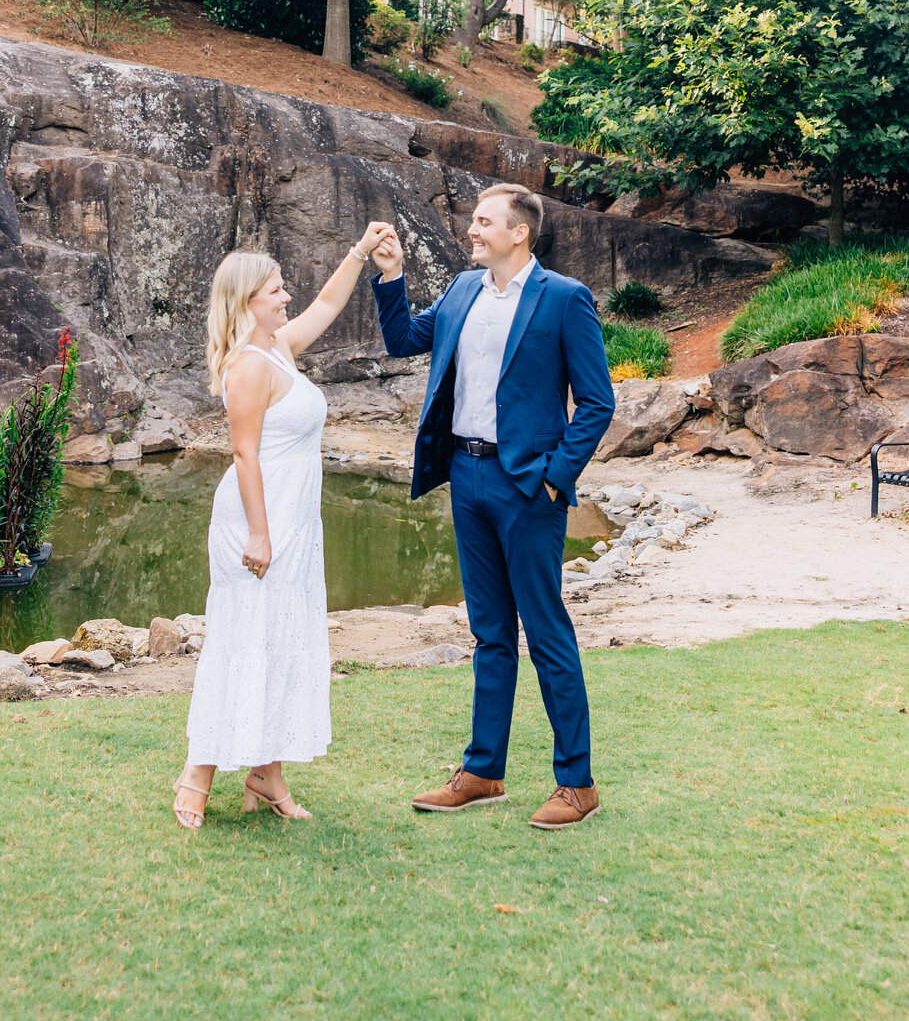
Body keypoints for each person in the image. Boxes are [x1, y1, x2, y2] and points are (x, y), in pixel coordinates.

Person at [369, 184, 614, 829]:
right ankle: (483, 772)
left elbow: (597, 403)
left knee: (547, 632)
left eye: (483, 221)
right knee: (490, 634)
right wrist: (391, 276)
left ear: (519, 233)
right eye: (473, 220)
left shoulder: (564, 299)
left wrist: (556, 480)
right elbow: (403, 341)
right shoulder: (461, 290)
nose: (471, 230)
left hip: (529, 489)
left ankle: (577, 784)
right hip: (467, 479)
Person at [172, 224, 391, 830]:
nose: (286, 296)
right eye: (275, 290)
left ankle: (266, 775)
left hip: (294, 519)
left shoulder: (278, 348)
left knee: (277, 642)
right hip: (257, 522)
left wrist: (358, 254)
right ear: (248, 301)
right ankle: (197, 773)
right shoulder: (247, 366)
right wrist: (261, 534)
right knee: (242, 641)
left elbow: (326, 303)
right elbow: (244, 455)